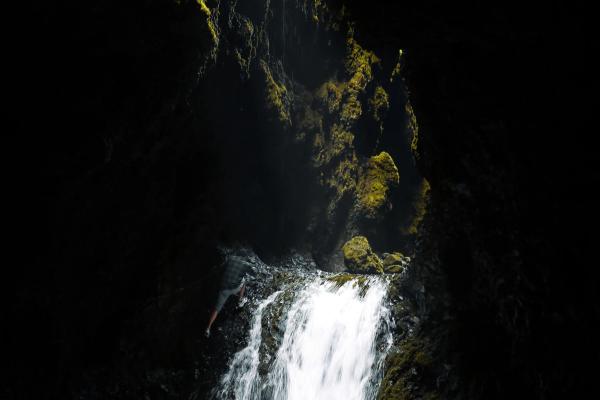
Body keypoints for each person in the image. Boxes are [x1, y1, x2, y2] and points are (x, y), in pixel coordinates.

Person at [205, 249, 255, 337]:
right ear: (245, 257)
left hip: (223, 289)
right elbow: (253, 273)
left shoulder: (230, 258)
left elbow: (223, 267)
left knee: (216, 309)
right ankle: (240, 301)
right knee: (245, 281)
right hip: (234, 288)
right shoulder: (245, 264)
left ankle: (208, 328)